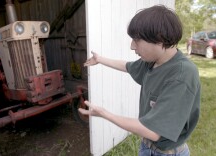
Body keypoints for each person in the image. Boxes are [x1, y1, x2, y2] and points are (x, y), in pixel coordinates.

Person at [79, 4, 201, 156]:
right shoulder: (153, 62)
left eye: (136, 40)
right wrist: (100, 59)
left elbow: (153, 131)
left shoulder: (182, 75)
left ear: (159, 39)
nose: (132, 46)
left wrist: (104, 114)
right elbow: (128, 66)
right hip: (146, 147)